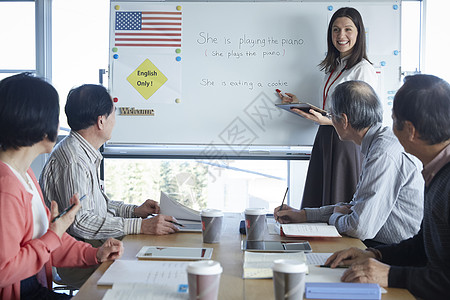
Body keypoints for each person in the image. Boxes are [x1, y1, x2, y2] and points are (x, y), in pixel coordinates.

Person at [39, 84, 179, 287]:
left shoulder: (83, 152)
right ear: (101, 121)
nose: (115, 120)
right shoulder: (74, 160)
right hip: (78, 259)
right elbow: (80, 222)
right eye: (114, 114)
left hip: (92, 246)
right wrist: (140, 226)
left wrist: (134, 211)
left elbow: (98, 206)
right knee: (151, 272)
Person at [324, 74, 450, 300]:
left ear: (410, 130)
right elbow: (424, 243)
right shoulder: (437, 170)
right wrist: (375, 254)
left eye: (393, 120)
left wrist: (391, 275)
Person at [0, 73, 123, 300]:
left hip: (36, 288)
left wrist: (95, 253)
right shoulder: (6, 188)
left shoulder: (25, 174)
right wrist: (53, 234)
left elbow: (52, 240)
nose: (58, 124)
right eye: (54, 115)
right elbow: (4, 270)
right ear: (34, 119)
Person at [274, 81, 423, 247]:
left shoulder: (382, 154)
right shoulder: (378, 143)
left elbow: (359, 227)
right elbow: (352, 207)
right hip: (384, 245)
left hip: (396, 252)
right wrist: (303, 215)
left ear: (344, 120)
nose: (330, 119)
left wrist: (334, 217)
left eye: (331, 115)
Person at [278, 7, 378, 208]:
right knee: (321, 200)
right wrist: (301, 104)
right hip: (325, 137)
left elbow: (364, 119)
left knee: (339, 202)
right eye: (335, 29)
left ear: (359, 33)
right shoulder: (335, 67)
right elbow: (334, 109)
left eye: (348, 29)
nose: (341, 35)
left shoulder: (363, 69)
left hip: (346, 143)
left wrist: (327, 120)